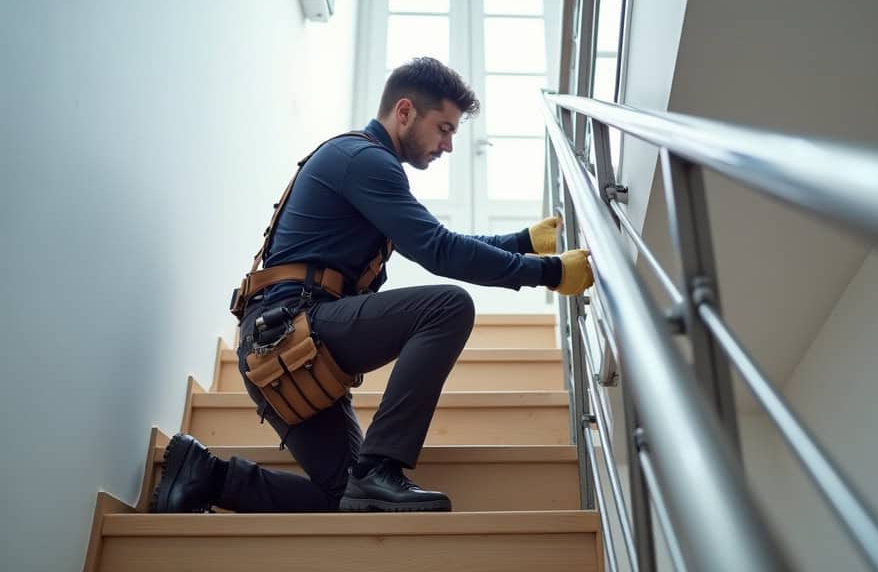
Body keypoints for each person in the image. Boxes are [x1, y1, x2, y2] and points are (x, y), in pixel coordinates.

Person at [150, 57, 593, 515]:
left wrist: (522, 243)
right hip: (291, 333)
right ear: (404, 112)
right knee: (447, 307)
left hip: (283, 346)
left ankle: (206, 475)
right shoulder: (364, 160)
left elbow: (434, 238)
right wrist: (549, 273)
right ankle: (381, 467)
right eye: (444, 128)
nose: (448, 145)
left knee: (345, 499)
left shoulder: (364, 165)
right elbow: (437, 248)